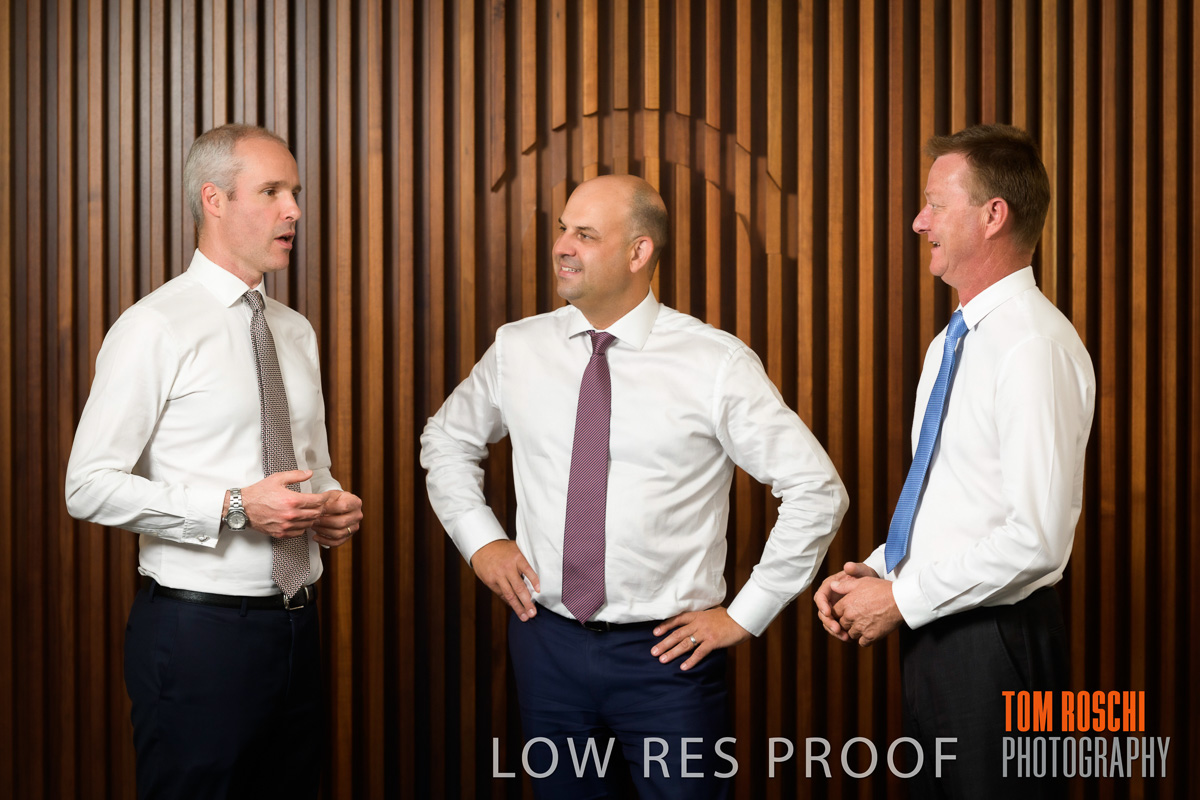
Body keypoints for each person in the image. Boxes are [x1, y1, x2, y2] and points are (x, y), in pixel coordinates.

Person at [421, 174, 847, 798]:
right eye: (563, 229)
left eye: (585, 234)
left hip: (668, 661)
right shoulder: (518, 347)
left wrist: (744, 615)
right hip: (545, 644)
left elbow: (816, 489)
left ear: (638, 252)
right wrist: (481, 540)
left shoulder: (715, 363)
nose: (562, 246)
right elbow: (446, 440)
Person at [65, 123, 363, 799]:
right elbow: (86, 487)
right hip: (197, 637)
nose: (294, 209)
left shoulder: (295, 330)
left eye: (295, 192)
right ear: (214, 200)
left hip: (298, 628)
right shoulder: (154, 326)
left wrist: (330, 505)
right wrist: (234, 507)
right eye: (272, 191)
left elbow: (307, 466)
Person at [814, 124, 1095, 798]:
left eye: (935, 204)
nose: (919, 222)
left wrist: (899, 599)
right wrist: (880, 572)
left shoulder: (1032, 347)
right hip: (939, 631)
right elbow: (957, 499)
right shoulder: (950, 342)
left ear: (993, 215)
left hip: (998, 646)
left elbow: (1036, 542)